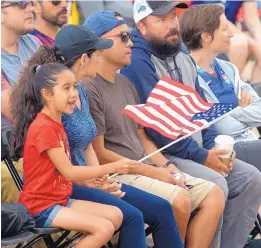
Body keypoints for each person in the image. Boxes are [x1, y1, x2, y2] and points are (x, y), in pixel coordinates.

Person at [21, 24, 184, 248]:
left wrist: (102, 181)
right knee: (131, 217)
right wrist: (101, 179)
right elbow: (65, 170)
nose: (103, 57)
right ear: (84, 59)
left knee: (160, 208)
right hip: (66, 189)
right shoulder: (56, 112)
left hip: (80, 183)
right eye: (99, 53)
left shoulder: (78, 95)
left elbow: (87, 146)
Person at [120, 1, 261, 248]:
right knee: (216, 184)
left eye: (173, 16)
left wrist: (211, 147)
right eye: (161, 20)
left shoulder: (180, 50)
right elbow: (158, 128)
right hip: (162, 152)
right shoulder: (137, 61)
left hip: (194, 147)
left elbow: (201, 107)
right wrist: (202, 156)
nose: (171, 25)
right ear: (141, 26)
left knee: (250, 178)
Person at [83, 11, 225, 247]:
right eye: (123, 37)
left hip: (143, 165)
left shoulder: (125, 83)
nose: (131, 43)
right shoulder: (89, 88)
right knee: (179, 199)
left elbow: (142, 137)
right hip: (118, 172)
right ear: (99, 44)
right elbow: (99, 153)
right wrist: (153, 172)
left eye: (130, 36)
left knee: (214, 194)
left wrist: (166, 166)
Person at [179, 3, 261, 169]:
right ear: (206, 37)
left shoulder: (227, 67)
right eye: (225, 29)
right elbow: (223, 128)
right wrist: (240, 107)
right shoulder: (189, 75)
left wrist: (232, 110)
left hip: (249, 142)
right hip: (227, 151)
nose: (231, 34)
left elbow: (259, 110)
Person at [1, 0, 40, 204]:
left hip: (41, 143)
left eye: (31, 3)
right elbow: (14, 110)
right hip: (11, 155)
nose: (31, 8)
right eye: (22, 3)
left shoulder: (33, 44)